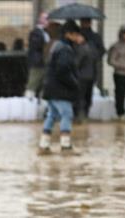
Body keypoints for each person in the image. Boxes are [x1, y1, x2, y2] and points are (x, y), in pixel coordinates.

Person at [39, 20, 82, 153]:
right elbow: (63, 70)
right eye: (75, 34)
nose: (78, 37)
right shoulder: (65, 49)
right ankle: (65, 145)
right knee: (66, 114)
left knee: (51, 115)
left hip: (51, 88)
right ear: (68, 34)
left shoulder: (56, 46)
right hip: (61, 90)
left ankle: (44, 145)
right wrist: (74, 83)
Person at [78, 18, 105, 118]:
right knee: (81, 93)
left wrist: (93, 56)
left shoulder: (95, 37)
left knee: (88, 93)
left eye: (87, 22)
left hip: (90, 69)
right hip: (83, 70)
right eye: (83, 21)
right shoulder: (77, 35)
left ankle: (85, 112)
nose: (85, 23)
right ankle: (80, 113)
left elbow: (101, 51)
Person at [27, 12, 50, 97]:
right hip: (37, 63)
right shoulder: (36, 32)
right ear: (40, 20)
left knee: (44, 86)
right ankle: (29, 104)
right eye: (46, 19)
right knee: (32, 85)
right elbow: (36, 46)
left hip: (44, 63)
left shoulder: (46, 32)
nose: (48, 21)